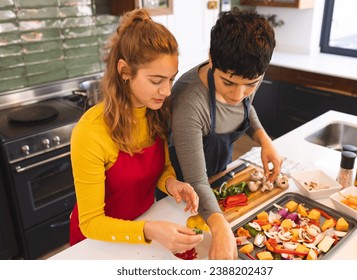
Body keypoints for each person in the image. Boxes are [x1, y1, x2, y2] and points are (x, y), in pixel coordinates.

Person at [69, 9, 203, 253]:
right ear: (124, 71)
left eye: (171, 79)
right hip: (98, 244)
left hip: (141, 229)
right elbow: (90, 223)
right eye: (156, 81)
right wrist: (149, 230)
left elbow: (162, 168)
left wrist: (172, 183)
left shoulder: (155, 111)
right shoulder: (91, 132)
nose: (167, 91)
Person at [168, 8, 283, 259]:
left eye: (251, 84)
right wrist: (220, 227)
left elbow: (245, 108)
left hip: (218, 179)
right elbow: (196, 181)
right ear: (211, 58)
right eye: (228, 83)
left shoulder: (249, 74)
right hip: (181, 199)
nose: (238, 94)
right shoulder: (189, 101)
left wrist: (264, 139)